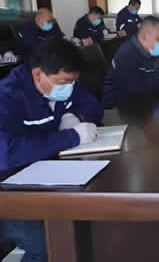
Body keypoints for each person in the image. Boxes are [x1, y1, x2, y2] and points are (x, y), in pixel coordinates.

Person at [0, 39, 102, 261]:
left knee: (83, 229)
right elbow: (6, 153)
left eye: (73, 81)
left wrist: (75, 116)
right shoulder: (7, 96)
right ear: (38, 75)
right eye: (64, 82)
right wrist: (71, 137)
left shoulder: (62, 82)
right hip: (8, 191)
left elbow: (92, 104)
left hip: (43, 176)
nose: (69, 88)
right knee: (50, 244)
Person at [103, 16, 159, 108]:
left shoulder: (153, 50)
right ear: (146, 36)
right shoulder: (126, 54)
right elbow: (135, 88)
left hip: (143, 99)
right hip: (118, 106)